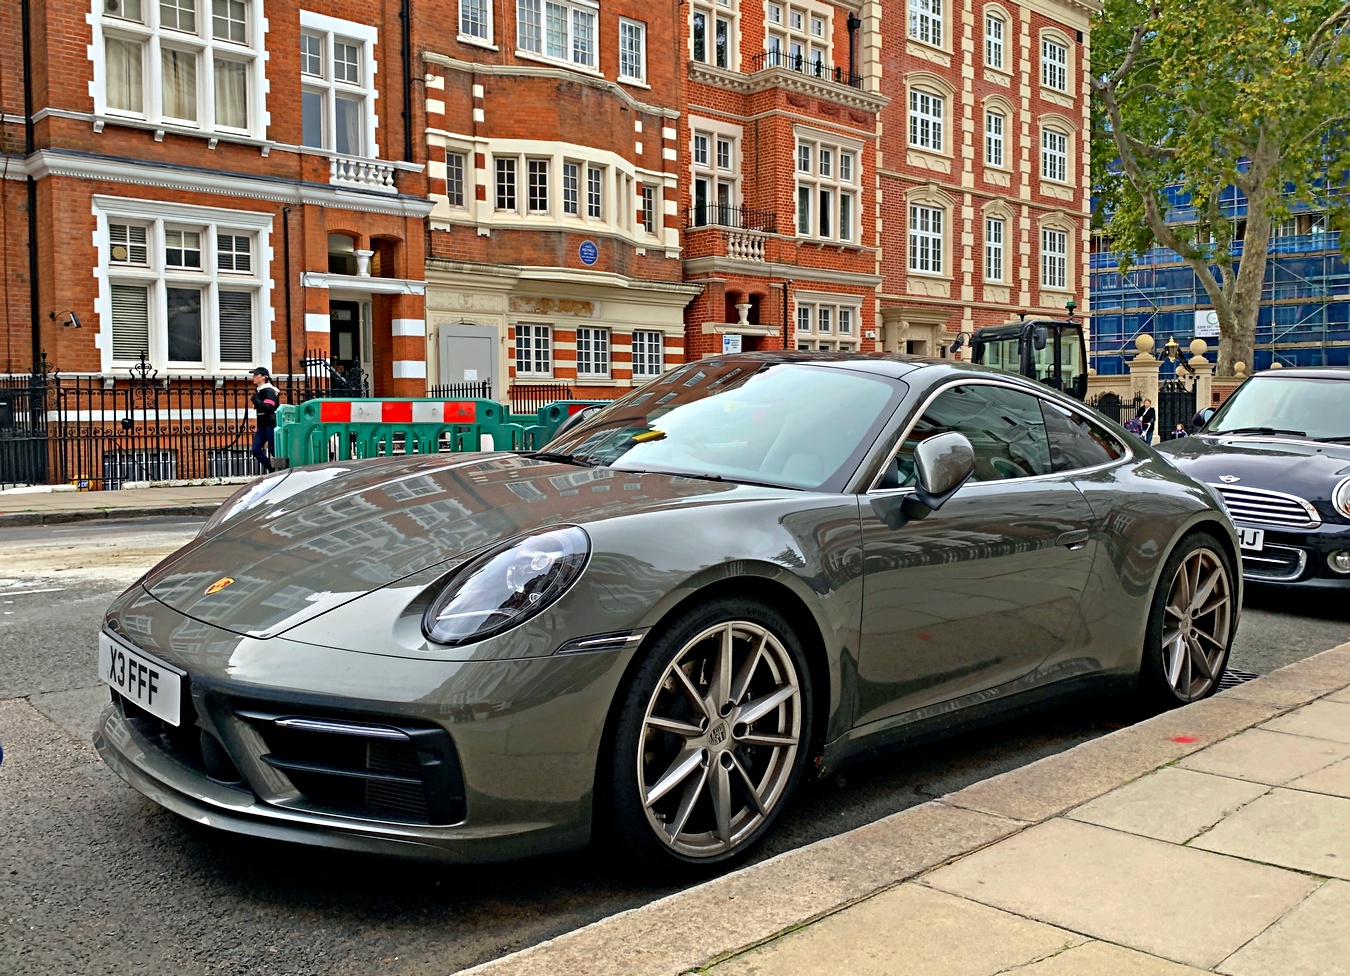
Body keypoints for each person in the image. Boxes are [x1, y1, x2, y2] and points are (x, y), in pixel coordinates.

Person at [249, 366, 280, 473]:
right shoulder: (261, 391)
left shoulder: (268, 391)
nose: (253, 377)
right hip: (263, 425)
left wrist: (256, 400)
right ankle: (272, 469)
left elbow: (269, 407)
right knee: (255, 450)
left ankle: (282, 470)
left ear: (263, 377)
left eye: (256, 375)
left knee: (273, 450)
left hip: (270, 424)